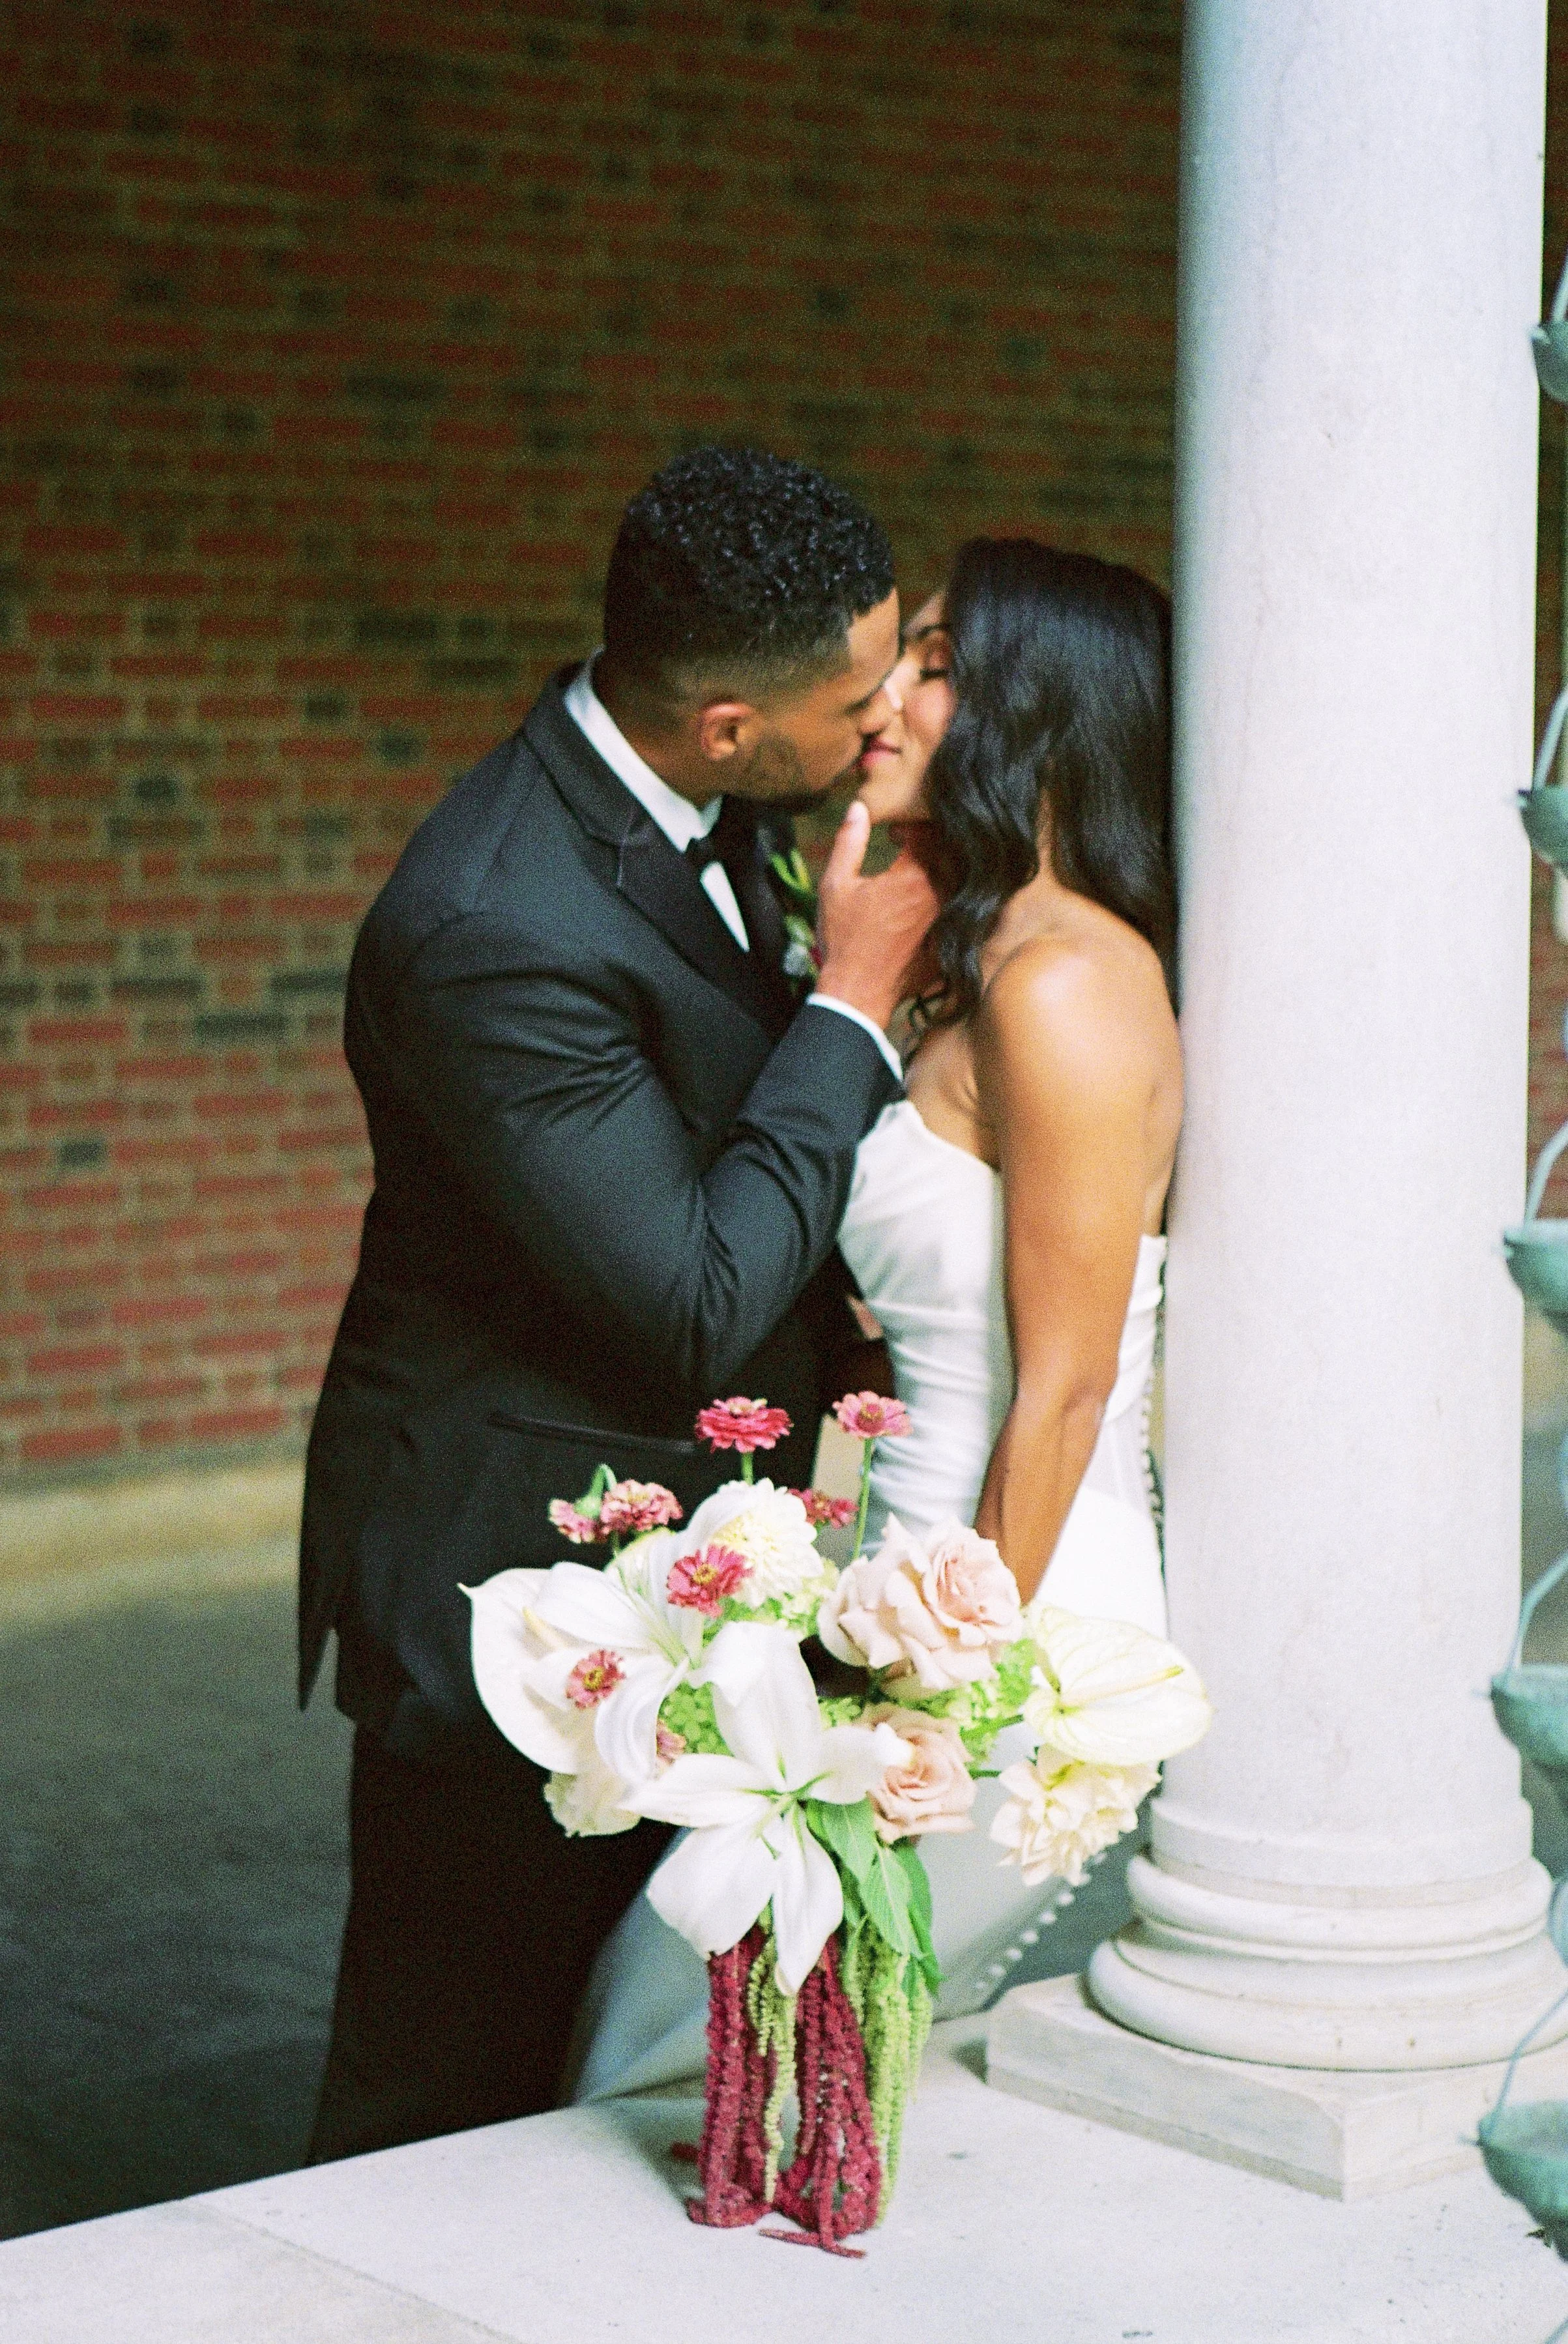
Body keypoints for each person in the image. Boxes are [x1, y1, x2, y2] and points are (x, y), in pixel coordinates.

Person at [300, 447, 939, 2162]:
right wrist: (857, 995)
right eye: (854, 694)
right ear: (726, 722)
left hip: (671, 1552)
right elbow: (685, 1297)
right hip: (506, 1580)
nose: (882, 719)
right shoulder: (494, 920)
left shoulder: (723, 806)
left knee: (600, 2052)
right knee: (442, 2086)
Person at [571, 536, 1182, 2095]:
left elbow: (1068, 1381)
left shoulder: (1067, 986)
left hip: (1020, 1635)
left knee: (688, 2049)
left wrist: (940, 1696)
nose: (884, 699)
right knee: (728, 2061)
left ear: (1040, 708)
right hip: (901, 1579)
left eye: (934, 662)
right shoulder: (971, 969)